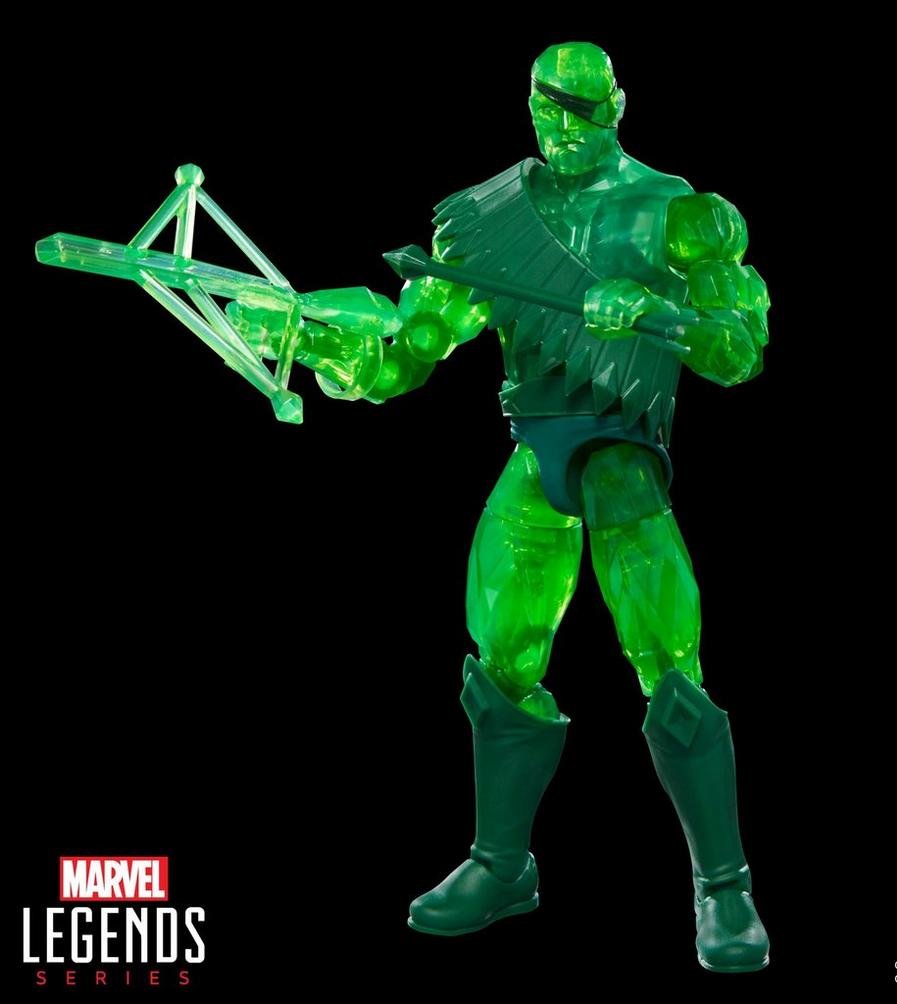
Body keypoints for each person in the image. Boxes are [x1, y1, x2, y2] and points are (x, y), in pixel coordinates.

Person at [233, 40, 771, 972]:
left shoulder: (677, 213)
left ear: (617, 104)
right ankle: (500, 864)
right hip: (539, 446)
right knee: (504, 651)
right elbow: (406, 355)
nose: (561, 128)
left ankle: (724, 887)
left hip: (622, 455)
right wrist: (308, 339)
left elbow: (738, 349)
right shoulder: (487, 218)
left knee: (667, 656)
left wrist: (656, 314)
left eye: (580, 109)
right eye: (545, 108)